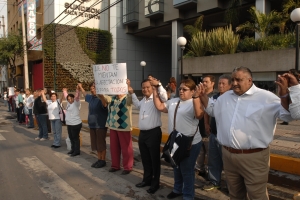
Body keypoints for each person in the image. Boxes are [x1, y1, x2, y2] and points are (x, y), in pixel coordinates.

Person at [198, 67, 300, 200]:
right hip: (228, 156)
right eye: (233, 79)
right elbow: (213, 110)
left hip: (254, 158)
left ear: (249, 80)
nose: (234, 83)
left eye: (238, 80)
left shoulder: (267, 97)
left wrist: (289, 93)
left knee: (257, 196)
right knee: (235, 194)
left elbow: (288, 116)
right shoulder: (225, 97)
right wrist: (203, 96)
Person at [153, 79, 204, 200]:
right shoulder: (173, 102)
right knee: (176, 166)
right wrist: (155, 90)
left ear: (192, 91)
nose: (181, 91)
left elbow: (199, 115)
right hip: (175, 141)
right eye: (180, 89)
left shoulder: (195, 102)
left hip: (190, 143)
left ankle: (188, 195)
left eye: (185, 89)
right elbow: (160, 107)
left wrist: (197, 98)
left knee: (187, 170)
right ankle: (177, 189)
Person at [130, 78, 167, 194]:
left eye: (148, 87)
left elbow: (165, 97)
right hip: (143, 134)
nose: (145, 89)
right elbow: (136, 105)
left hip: (153, 133)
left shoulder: (156, 99)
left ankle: (155, 184)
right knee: (145, 159)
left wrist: (159, 85)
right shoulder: (144, 101)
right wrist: (132, 93)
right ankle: (147, 180)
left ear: (152, 88)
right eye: (143, 87)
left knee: (154, 160)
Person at [202, 74, 232, 191]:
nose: (220, 85)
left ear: (230, 85)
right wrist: (206, 124)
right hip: (214, 134)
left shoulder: (232, 99)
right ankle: (214, 181)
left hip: (225, 137)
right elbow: (207, 111)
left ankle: (231, 187)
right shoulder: (214, 97)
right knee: (213, 160)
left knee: (228, 164)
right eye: (219, 83)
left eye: (223, 83)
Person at [98, 80, 134, 175]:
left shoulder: (127, 98)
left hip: (124, 127)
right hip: (113, 126)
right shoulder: (112, 98)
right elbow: (102, 96)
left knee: (126, 149)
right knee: (114, 148)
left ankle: (128, 167)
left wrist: (129, 86)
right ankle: (115, 165)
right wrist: (100, 86)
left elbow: (132, 98)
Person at [78, 82, 108, 168]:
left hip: (100, 125)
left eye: (94, 88)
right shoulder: (91, 98)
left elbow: (105, 104)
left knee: (101, 144)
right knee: (96, 144)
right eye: (91, 89)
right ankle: (99, 159)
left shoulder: (102, 98)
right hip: (92, 125)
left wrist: (102, 96)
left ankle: (103, 160)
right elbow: (85, 94)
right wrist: (81, 87)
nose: (92, 90)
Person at [196, 75, 217, 178]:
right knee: (200, 151)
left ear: (212, 83)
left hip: (210, 130)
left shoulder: (215, 96)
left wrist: (207, 124)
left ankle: (210, 174)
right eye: (203, 81)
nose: (204, 83)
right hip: (198, 129)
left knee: (210, 153)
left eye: (206, 82)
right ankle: (199, 169)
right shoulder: (198, 95)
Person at [63, 87, 82, 157]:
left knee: (75, 138)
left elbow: (77, 96)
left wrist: (77, 90)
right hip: (69, 124)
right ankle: (73, 149)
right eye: (68, 99)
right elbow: (66, 96)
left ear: (73, 98)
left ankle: (77, 151)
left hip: (75, 124)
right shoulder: (68, 103)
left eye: (71, 99)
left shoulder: (76, 103)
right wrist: (65, 91)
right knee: (71, 137)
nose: (70, 100)